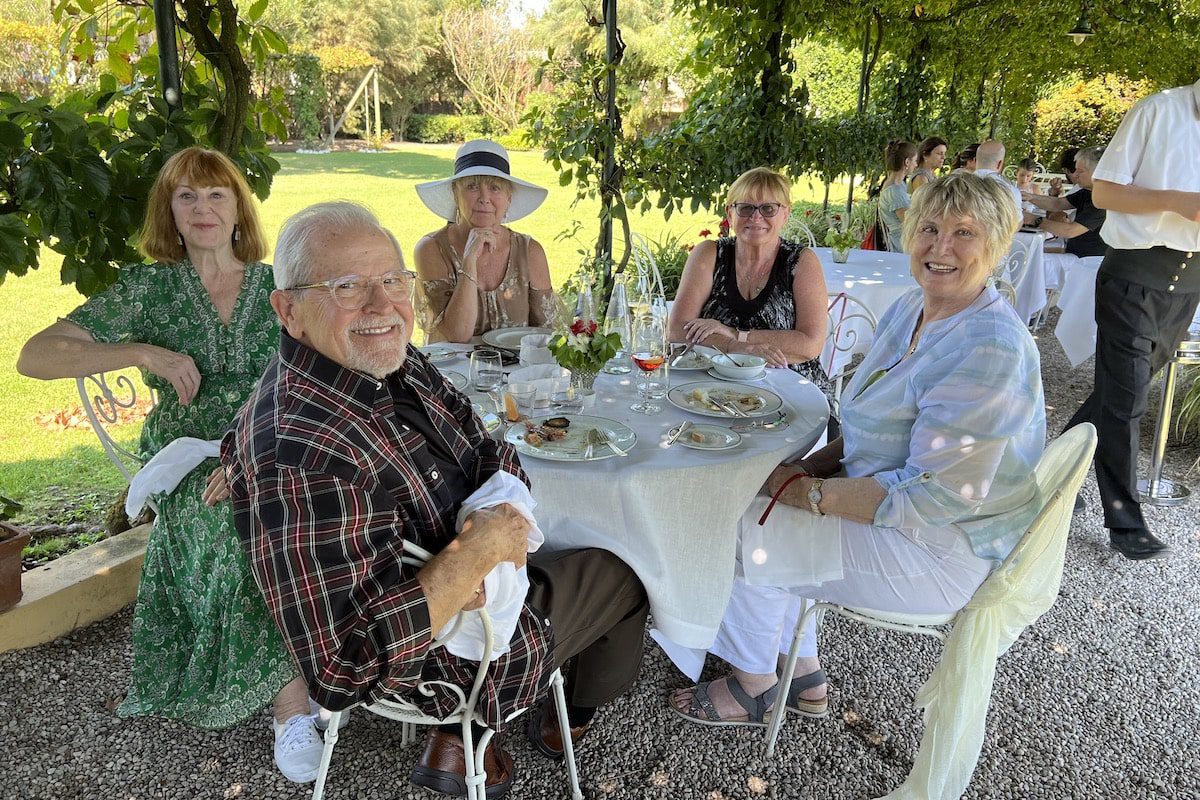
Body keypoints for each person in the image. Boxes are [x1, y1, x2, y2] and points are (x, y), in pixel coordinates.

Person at [223, 201, 649, 798]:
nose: (382, 306)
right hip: (441, 662)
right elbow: (342, 668)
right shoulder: (301, 453)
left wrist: (490, 523)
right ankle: (532, 719)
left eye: (394, 280)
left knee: (577, 541)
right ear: (288, 310)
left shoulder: (385, 360)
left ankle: (491, 724)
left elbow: (482, 439)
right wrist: (470, 559)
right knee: (628, 572)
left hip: (465, 561)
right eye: (347, 287)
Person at [668, 173, 1044, 726]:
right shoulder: (912, 310)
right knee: (762, 501)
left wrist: (805, 493)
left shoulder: (990, 348)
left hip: (938, 548)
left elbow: (931, 498)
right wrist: (802, 468)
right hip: (897, 517)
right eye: (930, 228)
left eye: (965, 233)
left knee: (737, 522)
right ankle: (804, 673)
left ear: (998, 243)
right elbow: (867, 432)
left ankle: (754, 685)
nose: (941, 248)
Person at [16, 148, 317, 781]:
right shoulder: (149, 289)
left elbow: (326, 367)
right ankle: (293, 711)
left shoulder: (277, 287)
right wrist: (145, 352)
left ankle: (354, 659)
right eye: (187, 197)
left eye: (216, 196)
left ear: (239, 208)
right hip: (185, 463)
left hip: (273, 446)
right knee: (240, 527)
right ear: (169, 211)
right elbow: (35, 356)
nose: (203, 209)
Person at [1062, 80, 1200, 560]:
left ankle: (1053, 463)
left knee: (1118, 392)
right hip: (1135, 273)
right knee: (1128, 400)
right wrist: (1177, 201)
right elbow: (1102, 191)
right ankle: (1125, 519)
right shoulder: (1158, 111)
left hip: (1190, 281)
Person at [669, 167, 830, 391]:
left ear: (785, 214)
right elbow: (677, 330)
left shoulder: (801, 262)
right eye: (745, 208)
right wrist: (737, 347)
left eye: (768, 208)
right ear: (729, 214)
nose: (756, 217)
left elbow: (810, 344)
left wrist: (737, 335)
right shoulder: (709, 254)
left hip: (792, 388)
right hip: (711, 387)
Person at [413, 139, 561, 343]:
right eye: (472, 187)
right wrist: (469, 260)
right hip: (454, 373)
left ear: (509, 197)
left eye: (495, 188)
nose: (484, 197)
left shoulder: (530, 252)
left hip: (519, 373)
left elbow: (549, 335)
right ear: (456, 194)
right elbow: (456, 335)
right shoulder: (432, 249)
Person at [1023, 146, 1108, 257]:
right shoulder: (1087, 192)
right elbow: (1057, 203)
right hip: (1074, 253)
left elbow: (1070, 231)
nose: (1075, 175)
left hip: (1088, 262)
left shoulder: (1103, 200)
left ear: (1096, 172)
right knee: (1027, 254)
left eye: (1080, 171)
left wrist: (1034, 220)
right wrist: (1028, 196)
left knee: (1028, 257)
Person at [878, 140, 919, 252]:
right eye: (915, 161)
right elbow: (909, 222)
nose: (916, 164)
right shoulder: (894, 191)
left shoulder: (898, 184)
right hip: (901, 245)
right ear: (907, 162)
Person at [973, 140, 1023, 215]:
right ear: (1000, 164)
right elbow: (1016, 222)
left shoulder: (956, 184)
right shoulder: (1011, 190)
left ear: (975, 160)